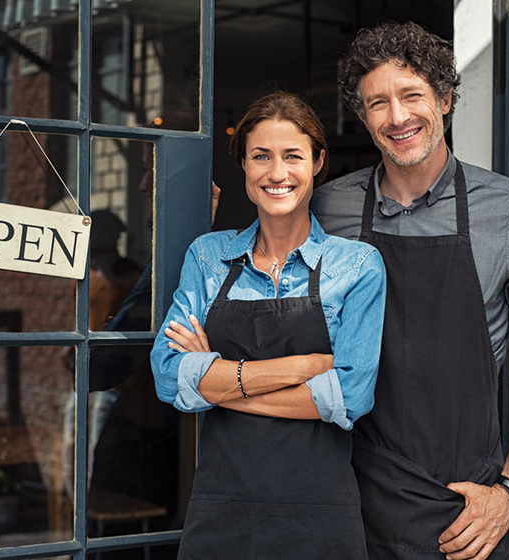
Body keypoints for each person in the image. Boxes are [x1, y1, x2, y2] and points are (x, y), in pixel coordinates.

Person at [310, 21, 509, 560]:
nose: (398, 116)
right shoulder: (325, 208)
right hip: (345, 496)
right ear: (362, 117)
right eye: (377, 103)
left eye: (412, 95)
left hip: (464, 511)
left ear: (446, 99)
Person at [150, 92, 386, 560]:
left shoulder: (357, 266)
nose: (277, 173)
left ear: (318, 162)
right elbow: (166, 375)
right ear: (243, 165)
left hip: (320, 516)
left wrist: (218, 384)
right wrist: (305, 367)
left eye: (292, 156)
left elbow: (352, 397)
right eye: (261, 156)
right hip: (221, 512)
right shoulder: (209, 257)